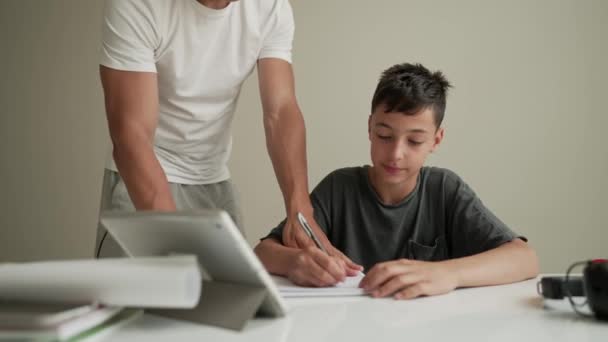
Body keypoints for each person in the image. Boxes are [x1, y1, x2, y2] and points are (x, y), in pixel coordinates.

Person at [94, 0, 360, 271]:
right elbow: (131, 137)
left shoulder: (270, 8)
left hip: (213, 181)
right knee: (139, 307)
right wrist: (171, 239)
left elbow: (280, 111)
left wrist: (299, 208)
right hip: (142, 179)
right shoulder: (137, 5)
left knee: (236, 303)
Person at [254, 62, 539, 299]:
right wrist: (294, 262)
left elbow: (524, 258)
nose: (396, 154)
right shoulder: (339, 188)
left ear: (436, 140)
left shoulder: (444, 190)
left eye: (414, 140)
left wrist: (447, 273)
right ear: (369, 128)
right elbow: (263, 251)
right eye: (384, 136)